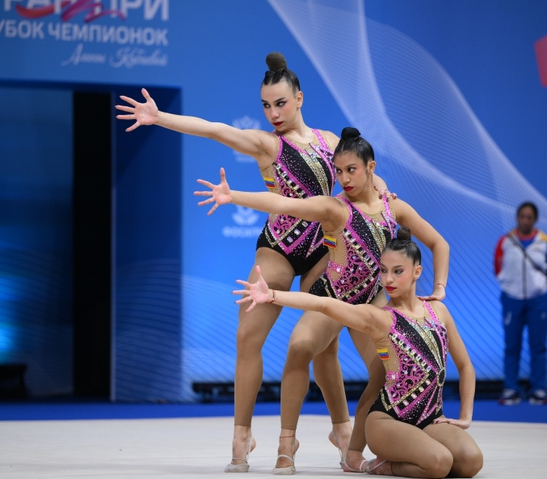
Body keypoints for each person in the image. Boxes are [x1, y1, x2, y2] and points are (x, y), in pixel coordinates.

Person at [116, 53, 389, 472]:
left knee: (324, 346)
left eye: (280, 103)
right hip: (278, 247)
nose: (272, 113)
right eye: (265, 105)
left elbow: (365, 179)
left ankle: (340, 428)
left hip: (322, 251)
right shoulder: (267, 145)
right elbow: (215, 131)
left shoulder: (330, 143)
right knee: (248, 335)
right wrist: (160, 117)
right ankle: (242, 432)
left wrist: (383, 200)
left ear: (299, 98)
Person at [196, 128, 449, 474]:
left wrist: (439, 287)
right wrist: (233, 196)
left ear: (371, 167)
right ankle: (288, 444)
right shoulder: (334, 208)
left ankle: (355, 448)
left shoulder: (395, 207)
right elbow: (284, 203)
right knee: (300, 346)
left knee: (382, 372)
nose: (343, 179)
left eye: (352, 170)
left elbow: (439, 244)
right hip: (332, 296)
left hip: (372, 302)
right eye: (339, 171)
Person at [233, 228, 482, 478]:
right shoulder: (380, 317)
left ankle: (419, 449)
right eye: (383, 271)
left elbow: (465, 367)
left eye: (398, 271)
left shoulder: (439, 312)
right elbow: (324, 303)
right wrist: (273, 295)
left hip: (430, 419)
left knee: (471, 462)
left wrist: (465, 417)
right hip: (389, 422)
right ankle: (381, 466)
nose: (389, 280)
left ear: (417, 271)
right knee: (439, 463)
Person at [494, 202, 547, 405]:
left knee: (538, 346)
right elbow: (497, 266)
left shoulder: (545, 242)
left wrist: (540, 288)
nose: (525, 220)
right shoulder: (506, 241)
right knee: (511, 346)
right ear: (517, 217)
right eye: (522, 216)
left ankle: (538, 389)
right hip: (512, 299)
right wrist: (507, 284)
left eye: (529, 217)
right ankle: (511, 388)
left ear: (535, 220)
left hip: (537, 300)